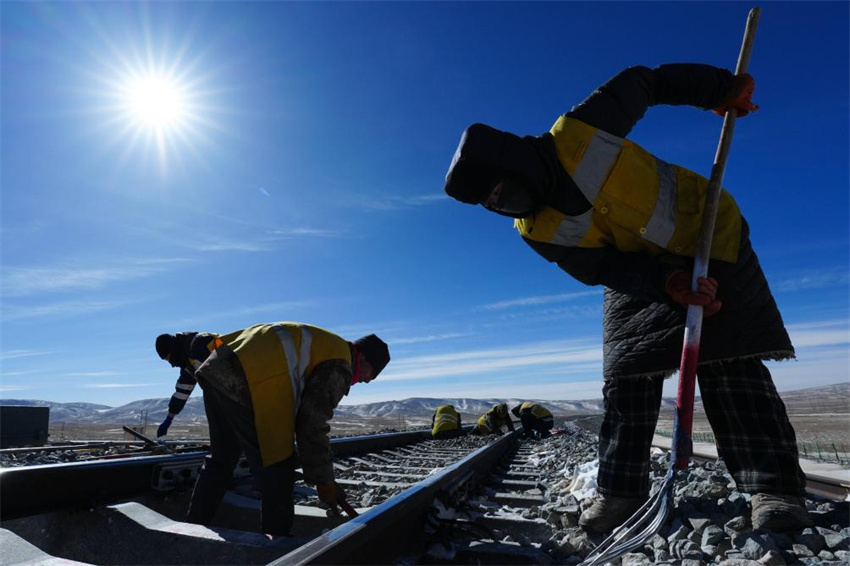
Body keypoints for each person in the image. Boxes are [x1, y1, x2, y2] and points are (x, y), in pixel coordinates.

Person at [443, 63, 811, 533]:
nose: (505, 206)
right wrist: (666, 284)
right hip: (640, 269)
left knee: (728, 357)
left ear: (516, 164)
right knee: (625, 372)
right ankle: (622, 491)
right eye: (494, 205)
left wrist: (721, 90)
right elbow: (601, 267)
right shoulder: (534, 229)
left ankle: (773, 488)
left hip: (708, 232)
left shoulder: (579, 132)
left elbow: (647, 81)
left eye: (503, 193)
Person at [155, 322, 390, 536]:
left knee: (222, 458)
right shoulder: (341, 362)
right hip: (246, 380)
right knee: (277, 468)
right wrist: (324, 480)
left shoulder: (327, 344)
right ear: (365, 360)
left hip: (215, 369)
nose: (366, 381)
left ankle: (193, 525)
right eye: (370, 376)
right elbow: (312, 424)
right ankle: (276, 546)